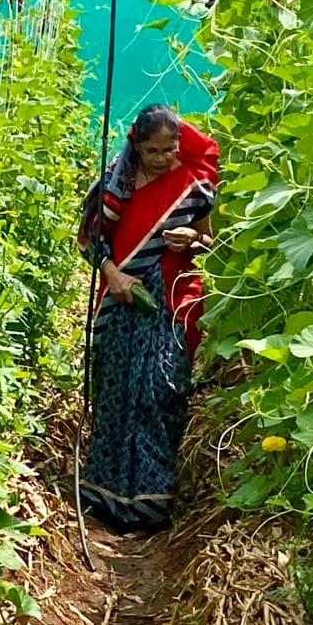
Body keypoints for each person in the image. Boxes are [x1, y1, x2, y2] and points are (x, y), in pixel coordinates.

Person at [77, 103, 218, 530]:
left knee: (160, 392)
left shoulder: (190, 186)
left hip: (172, 300)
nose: (162, 158)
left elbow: (208, 241)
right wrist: (112, 274)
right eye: (153, 151)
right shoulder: (115, 185)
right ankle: (104, 496)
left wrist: (191, 237)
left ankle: (151, 501)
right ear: (136, 146)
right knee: (116, 391)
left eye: (170, 149)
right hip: (121, 298)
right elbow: (89, 239)